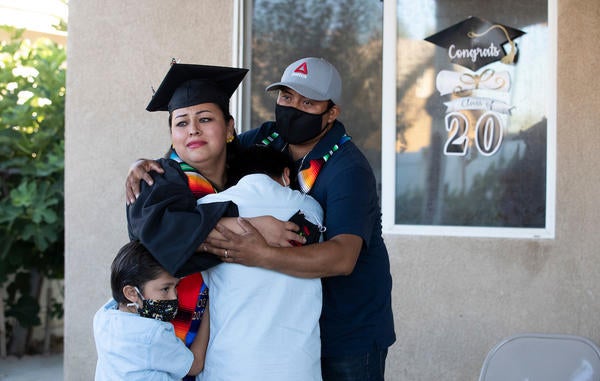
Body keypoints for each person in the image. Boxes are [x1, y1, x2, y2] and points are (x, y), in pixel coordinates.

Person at [127, 57, 396, 381]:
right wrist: (145, 165)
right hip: (273, 329)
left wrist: (262, 252)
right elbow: (199, 144)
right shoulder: (268, 139)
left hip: (348, 326)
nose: (293, 107)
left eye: (308, 102)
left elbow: (343, 258)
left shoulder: (347, 168)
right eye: (286, 97)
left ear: (331, 112)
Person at [126, 62, 302, 373]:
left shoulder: (245, 178)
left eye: (205, 119)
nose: (192, 129)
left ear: (230, 127)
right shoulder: (158, 179)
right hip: (172, 339)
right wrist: (248, 226)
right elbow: (157, 235)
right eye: (181, 123)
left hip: (231, 339)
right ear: (171, 134)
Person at [197, 144, 324, 380]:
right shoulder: (311, 208)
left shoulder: (206, 209)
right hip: (298, 368)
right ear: (287, 175)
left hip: (230, 366)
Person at [93, 241, 209, 380]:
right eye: (165, 289)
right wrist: (208, 311)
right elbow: (195, 365)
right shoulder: (154, 334)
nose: (174, 296)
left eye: (176, 287)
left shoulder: (102, 317)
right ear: (131, 292)